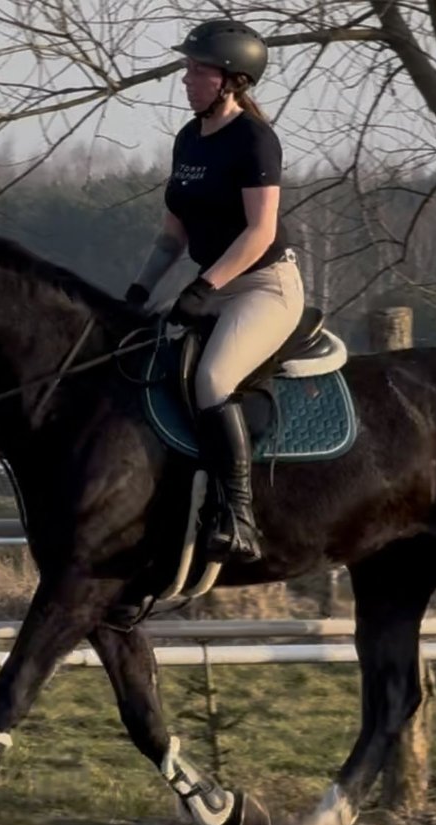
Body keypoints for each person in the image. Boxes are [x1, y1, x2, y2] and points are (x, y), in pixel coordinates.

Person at [126, 19, 305, 564]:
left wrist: (205, 286)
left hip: (264, 286)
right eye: (188, 69)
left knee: (212, 378)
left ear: (231, 80)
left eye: (197, 70)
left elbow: (260, 232)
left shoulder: (253, 140)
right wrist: (138, 290)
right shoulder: (188, 138)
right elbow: (172, 234)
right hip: (215, 284)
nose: (186, 79)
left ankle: (240, 518)